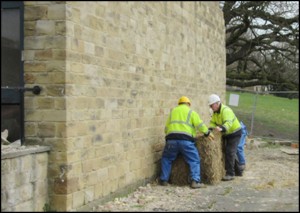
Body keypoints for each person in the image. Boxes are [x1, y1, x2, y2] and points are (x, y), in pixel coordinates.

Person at [159, 96, 215, 189]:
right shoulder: (191, 112)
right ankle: (195, 181)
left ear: (179, 104)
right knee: (194, 160)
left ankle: (164, 180)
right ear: (189, 104)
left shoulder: (173, 112)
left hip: (171, 140)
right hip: (186, 141)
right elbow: (200, 125)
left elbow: (166, 129)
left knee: (166, 159)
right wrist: (208, 133)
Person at [208, 94, 243, 181]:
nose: (211, 107)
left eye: (211, 105)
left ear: (217, 103)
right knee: (229, 152)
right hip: (227, 133)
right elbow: (212, 122)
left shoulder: (226, 111)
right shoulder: (215, 113)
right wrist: (211, 128)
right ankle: (238, 171)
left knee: (230, 152)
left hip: (234, 133)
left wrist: (222, 128)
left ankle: (230, 174)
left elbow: (228, 123)